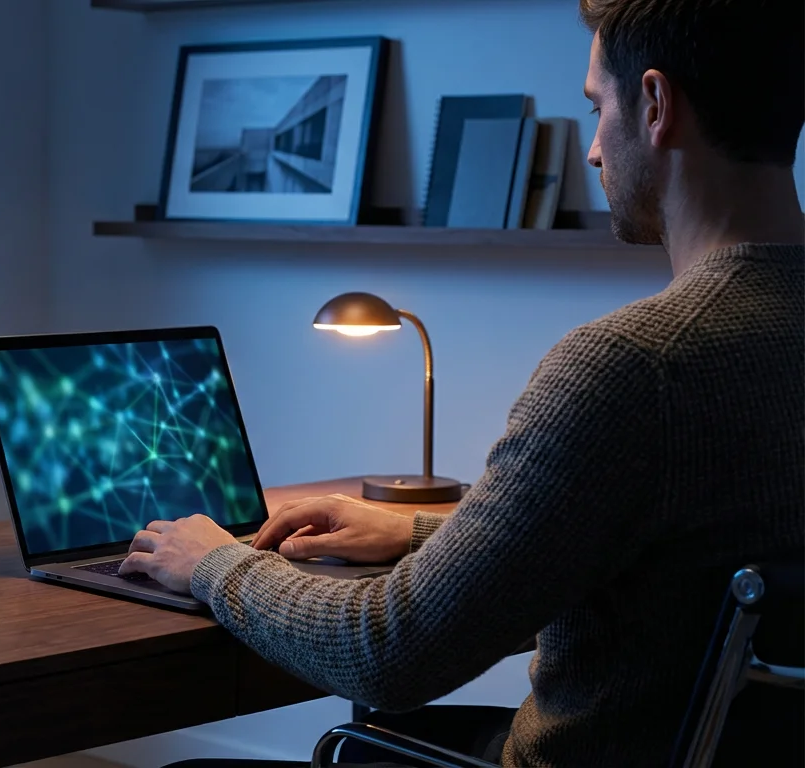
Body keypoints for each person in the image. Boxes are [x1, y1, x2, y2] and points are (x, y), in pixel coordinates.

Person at [119, 0, 805, 765]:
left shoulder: (636, 369)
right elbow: (659, 564)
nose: (591, 153)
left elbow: (394, 653)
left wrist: (215, 563)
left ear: (653, 105)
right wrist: (418, 532)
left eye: (594, 108)